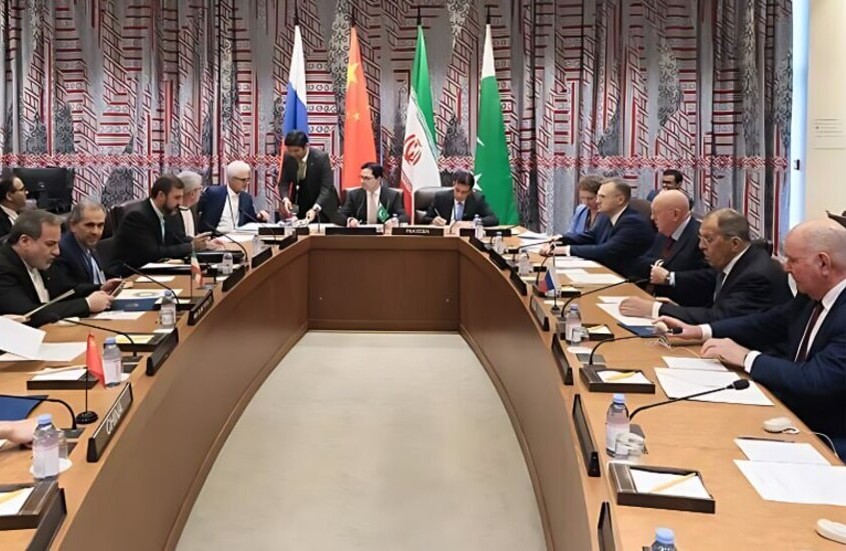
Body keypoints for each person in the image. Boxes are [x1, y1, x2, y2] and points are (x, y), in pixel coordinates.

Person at [660, 219, 846, 458]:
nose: (785, 268)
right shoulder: (811, 296)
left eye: (793, 260)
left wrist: (747, 358)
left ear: (823, 263)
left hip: (829, 440)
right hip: (791, 417)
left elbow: (815, 379)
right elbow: (767, 322)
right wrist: (701, 331)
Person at [620, 208, 792, 323]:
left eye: (708, 239)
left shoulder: (756, 274)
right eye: (700, 238)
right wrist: (677, 310)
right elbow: (718, 310)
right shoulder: (734, 261)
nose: (701, 246)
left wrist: (657, 309)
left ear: (734, 243)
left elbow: (721, 318)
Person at [0, 210, 115, 327]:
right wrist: (87, 304)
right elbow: (27, 315)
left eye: (57, 244)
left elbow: (65, 290)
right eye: (50, 244)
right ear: (25, 241)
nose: (57, 251)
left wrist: (100, 288)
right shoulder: (3, 267)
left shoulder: (37, 259)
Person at [546, 179, 654, 277]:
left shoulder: (633, 222)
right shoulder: (606, 216)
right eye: (597, 196)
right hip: (607, 272)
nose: (597, 201)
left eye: (602, 197)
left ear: (620, 200)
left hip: (625, 278)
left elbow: (606, 251)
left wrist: (565, 250)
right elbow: (590, 237)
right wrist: (560, 239)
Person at [110, 175, 211, 275]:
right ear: (161, 195)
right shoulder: (138, 216)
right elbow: (153, 253)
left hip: (155, 271)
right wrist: (191, 246)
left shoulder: (168, 211)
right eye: (176, 197)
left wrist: (202, 242)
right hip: (131, 274)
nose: (180, 202)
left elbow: (178, 238)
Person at [626, 190, 707, 301]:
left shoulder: (701, 236)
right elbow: (640, 262)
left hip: (682, 304)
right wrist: (659, 264)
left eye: (656, 213)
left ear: (675, 214)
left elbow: (711, 277)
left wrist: (670, 277)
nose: (652, 218)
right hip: (655, 298)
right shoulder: (664, 232)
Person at [277, 130, 341, 224]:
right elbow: (283, 182)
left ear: (306, 146)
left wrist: (315, 209)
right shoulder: (288, 157)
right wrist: (286, 198)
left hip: (322, 205)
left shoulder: (321, 158)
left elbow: (326, 187)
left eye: (296, 151)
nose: (293, 154)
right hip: (301, 203)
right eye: (290, 151)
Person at [53, 199, 118, 288]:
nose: (95, 232)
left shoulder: (88, 244)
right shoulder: (62, 251)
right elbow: (70, 290)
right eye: (89, 225)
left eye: (100, 225)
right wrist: (101, 288)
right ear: (73, 225)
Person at [197, 161, 269, 233]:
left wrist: (260, 217)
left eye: (248, 180)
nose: (246, 183)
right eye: (243, 180)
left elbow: (250, 221)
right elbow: (196, 211)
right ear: (231, 179)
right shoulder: (213, 193)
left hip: (239, 236)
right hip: (215, 236)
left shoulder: (246, 198)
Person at [338, 163, 408, 227]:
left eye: (367, 178)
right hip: (360, 233)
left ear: (379, 179)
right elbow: (341, 215)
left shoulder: (392, 195)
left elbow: (404, 217)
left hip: (384, 234)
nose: (362, 181)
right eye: (361, 177)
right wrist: (350, 220)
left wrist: (394, 221)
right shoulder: (354, 195)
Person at [421, 170, 499, 227]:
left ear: (470, 191)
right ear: (454, 184)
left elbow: (493, 219)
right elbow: (425, 219)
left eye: (464, 192)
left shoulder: (477, 199)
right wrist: (433, 220)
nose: (459, 195)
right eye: (457, 190)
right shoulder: (440, 197)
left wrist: (472, 223)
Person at [174, 170, 203, 238]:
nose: (201, 193)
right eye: (200, 188)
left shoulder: (193, 209)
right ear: (192, 194)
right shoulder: (172, 213)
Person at [0, 175, 27, 240]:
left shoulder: (23, 213)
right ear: (9, 196)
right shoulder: (1, 222)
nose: (26, 192)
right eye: (22, 190)